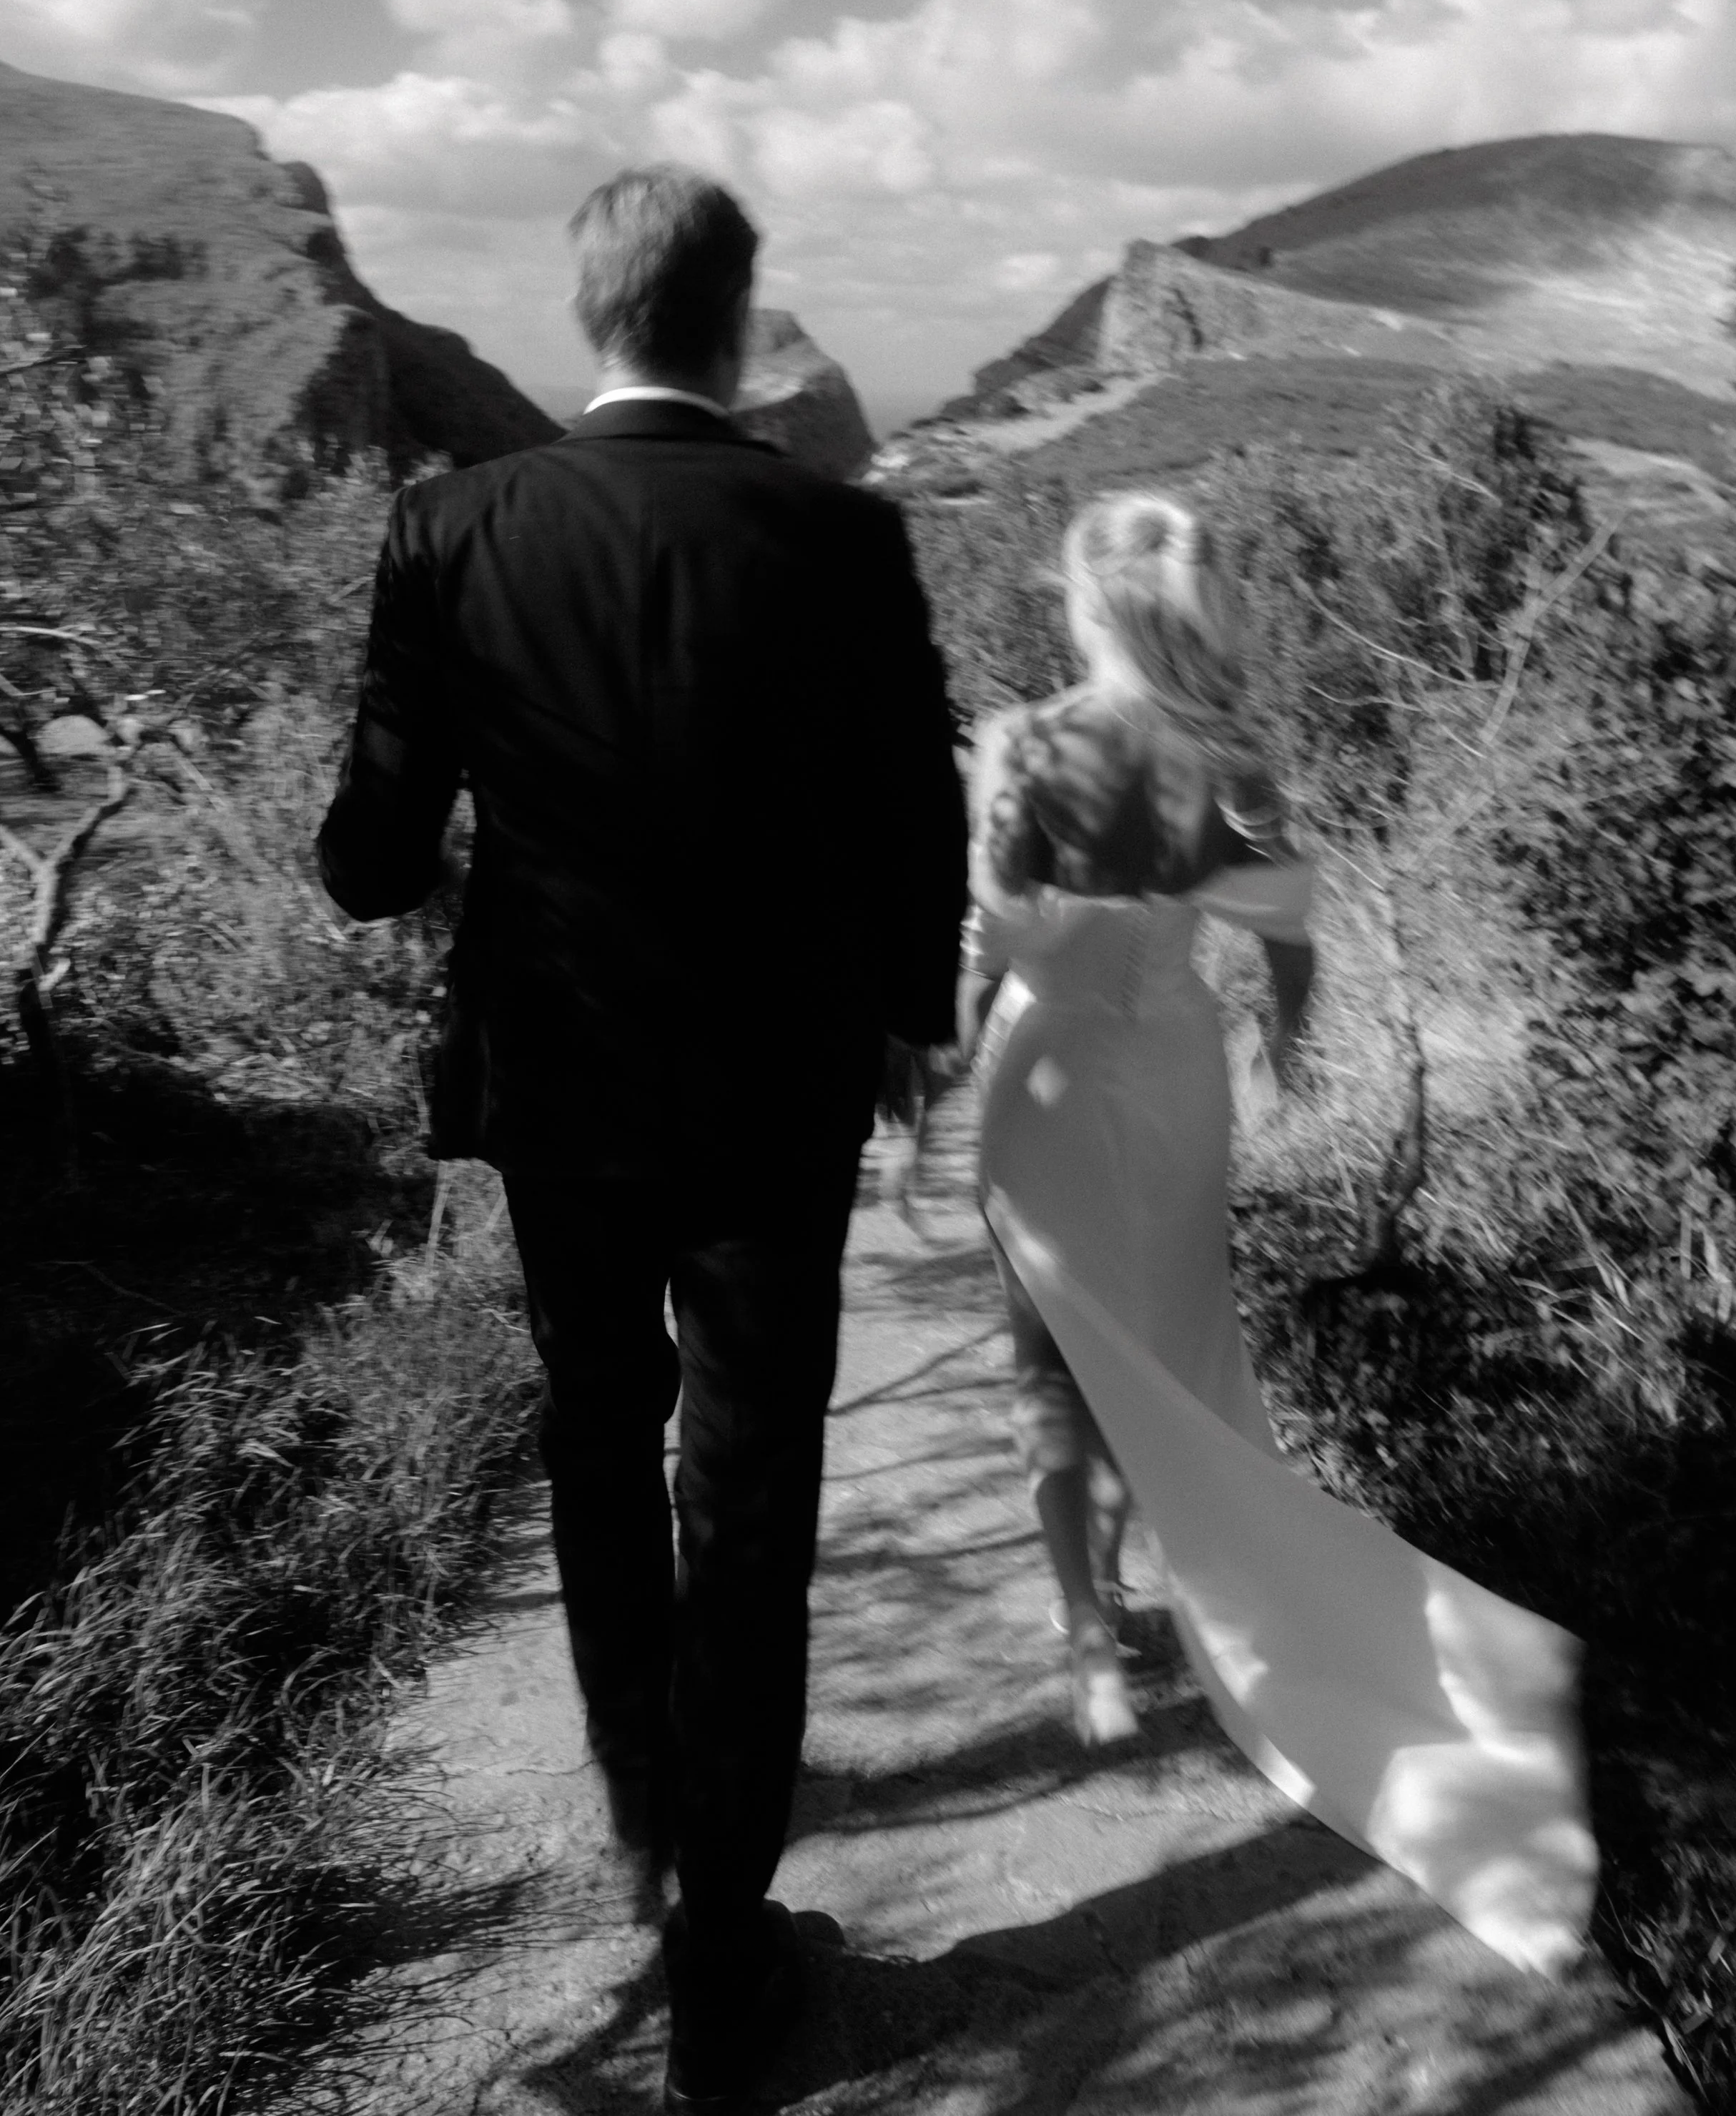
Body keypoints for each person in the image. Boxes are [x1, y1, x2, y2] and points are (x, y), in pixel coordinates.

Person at [317, 165, 967, 2111]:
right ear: (733, 307)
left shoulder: (450, 523)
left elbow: (366, 858)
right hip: (773, 1093)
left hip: (562, 1085)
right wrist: (911, 1020)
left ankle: (637, 1814)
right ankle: (720, 1940)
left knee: (596, 1437)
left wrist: (456, 843)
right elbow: (913, 808)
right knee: (748, 1491)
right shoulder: (841, 533)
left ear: (587, 307)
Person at [964, 490, 1598, 1979]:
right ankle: (1190, 1579)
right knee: (1178, 1349)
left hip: (1048, 1080)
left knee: (1055, 1355)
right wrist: (1284, 1049)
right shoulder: (1226, 750)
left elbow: (993, 936)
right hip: (1176, 1077)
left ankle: (1087, 1630)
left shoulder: (1024, 744)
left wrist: (924, 1046)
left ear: (1089, 609)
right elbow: (1289, 932)